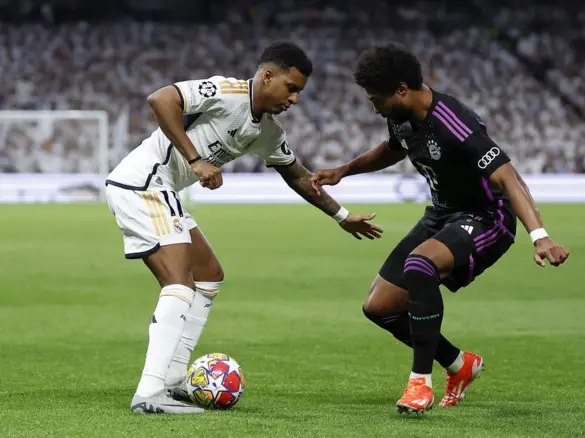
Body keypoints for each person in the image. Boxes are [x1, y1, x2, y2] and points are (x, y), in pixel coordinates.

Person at [105, 41, 382, 414]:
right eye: (291, 87)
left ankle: (172, 381)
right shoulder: (226, 91)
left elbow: (297, 176)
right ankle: (149, 393)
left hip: (162, 188)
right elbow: (160, 99)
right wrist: (196, 159)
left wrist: (342, 215)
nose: (295, 99)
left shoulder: (267, 130)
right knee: (179, 283)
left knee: (208, 275)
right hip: (142, 183)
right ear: (268, 76)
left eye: (299, 92)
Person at [311, 43, 569, 415]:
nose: (372, 106)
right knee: (379, 307)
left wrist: (540, 235)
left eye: (375, 98)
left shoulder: (453, 121)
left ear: (401, 90)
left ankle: (420, 384)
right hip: (441, 214)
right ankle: (459, 364)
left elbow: (509, 177)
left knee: (420, 266)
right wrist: (344, 170)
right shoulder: (400, 115)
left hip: (487, 217)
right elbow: (393, 148)